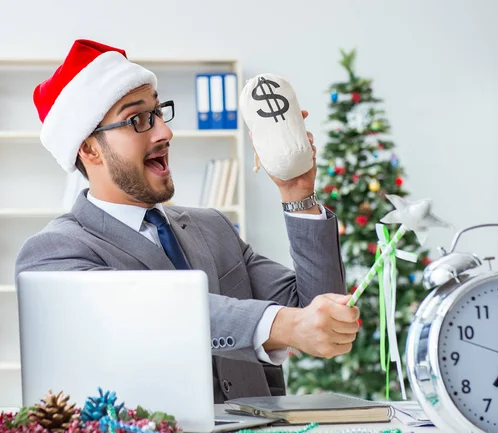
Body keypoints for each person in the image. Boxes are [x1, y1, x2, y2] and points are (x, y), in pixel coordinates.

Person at [14, 39, 359, 403]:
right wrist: (282, 324)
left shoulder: (214, 227)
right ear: (89, 148)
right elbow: (146, 311)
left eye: (159, 112)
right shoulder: (52, 254)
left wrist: (297, 192)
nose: (164, 132)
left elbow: (321, 312)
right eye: (139, 120)